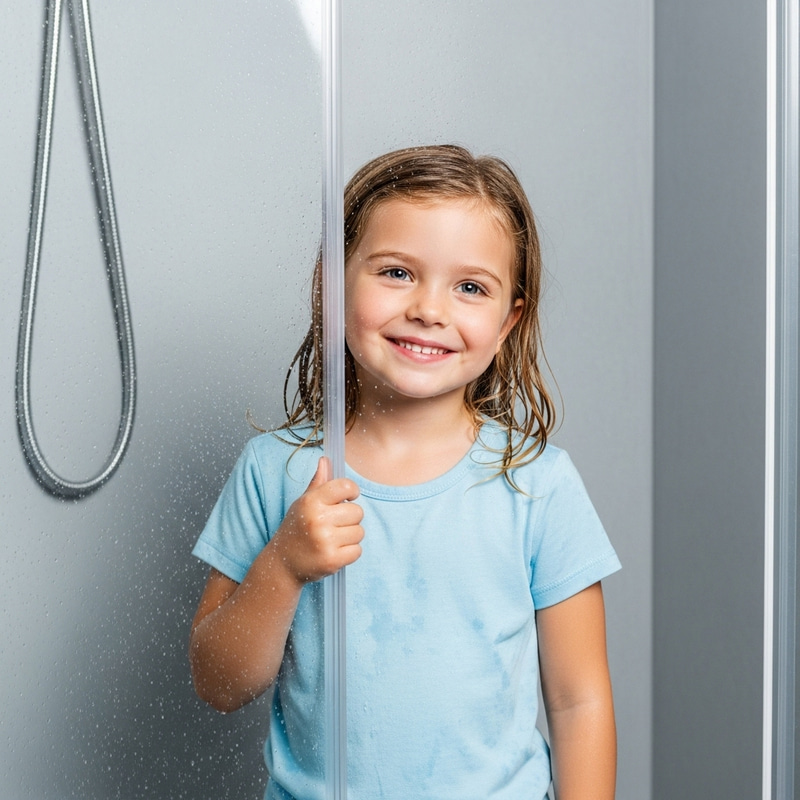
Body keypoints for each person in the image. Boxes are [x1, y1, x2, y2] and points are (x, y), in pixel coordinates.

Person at [189, 144, 621, 800]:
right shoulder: (275, 471)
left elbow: (579, 700)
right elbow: (219, 684)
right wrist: (283, 567)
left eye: (470, 287)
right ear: (330, 283)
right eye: (396, 272)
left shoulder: (538, 484)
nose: (429, 309)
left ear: (509, 321)